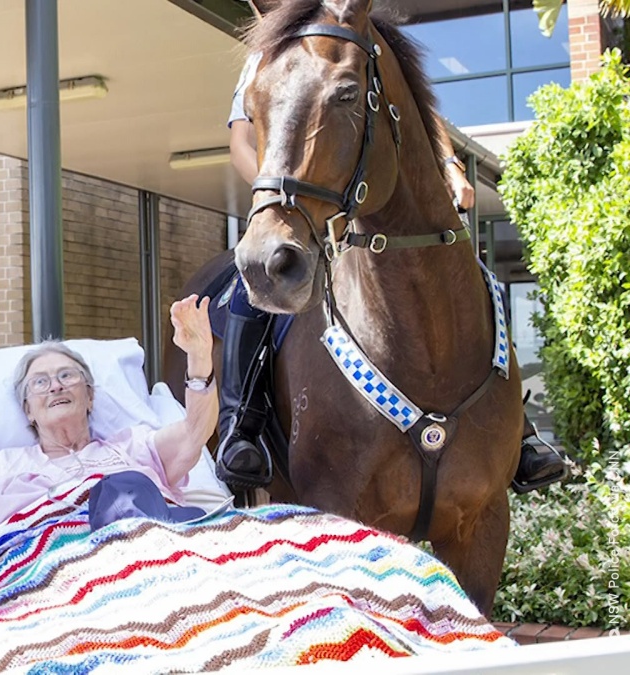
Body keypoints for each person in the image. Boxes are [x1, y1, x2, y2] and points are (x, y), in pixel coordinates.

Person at [217, 47, 565, 493]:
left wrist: (451, 166)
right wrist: (281, 199)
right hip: (299, 205)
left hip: (367, 201)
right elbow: (241, 144)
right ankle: (240, 426)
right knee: (251, 293)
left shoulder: (351, 44)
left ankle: (520, 430)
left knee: (474, 284)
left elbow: (417, 110)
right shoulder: (266, 58)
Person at [0, 295, 217, 555]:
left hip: (151, 551)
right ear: (28, 410)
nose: (55, 387)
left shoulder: (133, 446)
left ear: (89, 396)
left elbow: (195, 432)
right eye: (40, 382)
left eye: (67, 376)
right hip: (47, 572)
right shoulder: (2, 467)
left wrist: (200, 357)